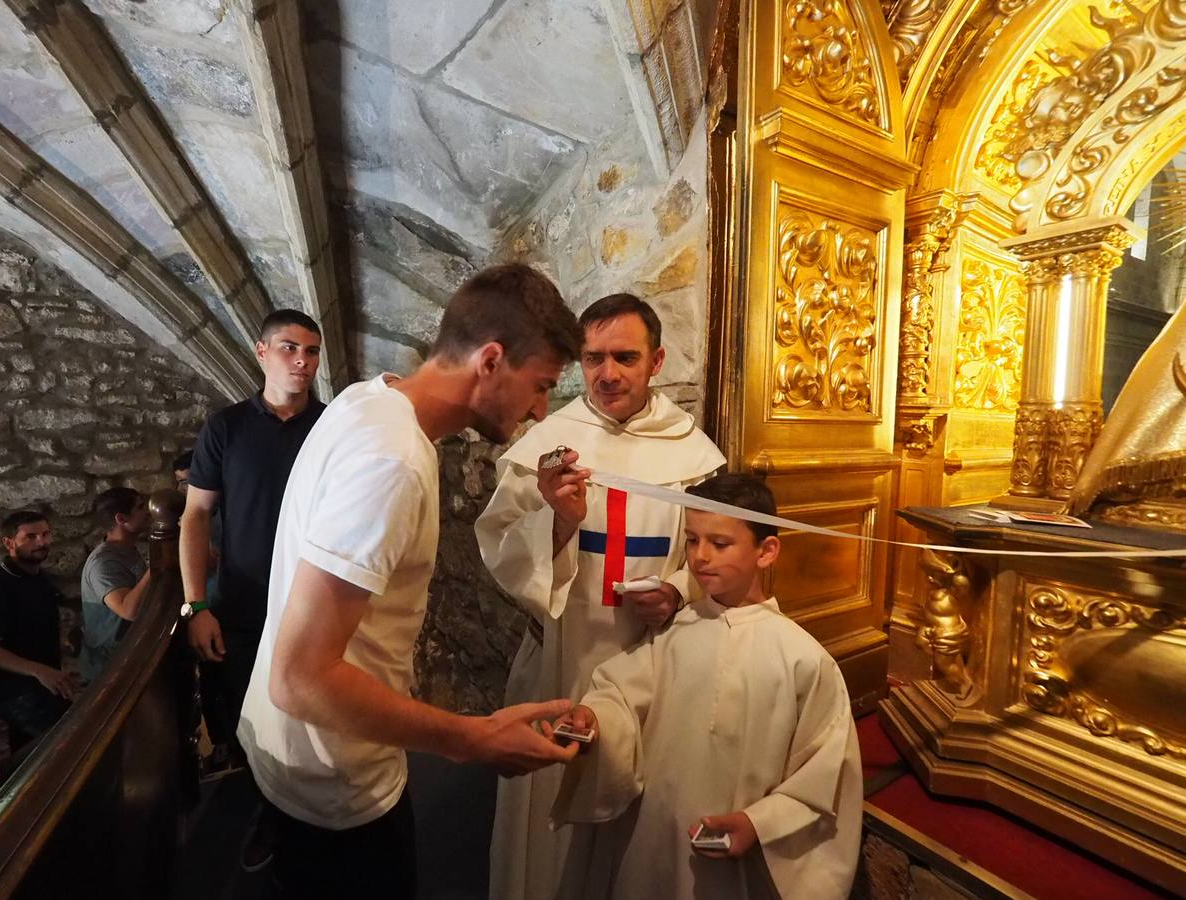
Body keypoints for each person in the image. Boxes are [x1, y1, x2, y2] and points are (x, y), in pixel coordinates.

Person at [237, 264, 586, 900]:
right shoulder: (391, 461)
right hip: (336, 782)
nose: (540, 410)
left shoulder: (370, 397)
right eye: (540, 386)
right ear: (490, 359)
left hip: (293, 757)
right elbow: (302, 675)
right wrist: (474, 740)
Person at [477, 292, 725, 899]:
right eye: (593, 359)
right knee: (547, 826)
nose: (608, 374)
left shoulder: (692, 454)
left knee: (635, 823)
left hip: (651, 659)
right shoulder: (551, 442)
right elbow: (499, 544)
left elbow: (716, 547)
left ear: (656, 360)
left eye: (625, 357)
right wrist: (557, 524)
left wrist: (676, 590)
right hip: (561, 656)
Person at [549, 474, 863, 900]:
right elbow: (620, 695)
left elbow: (824, 770)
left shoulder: (803, 659)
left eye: (719, 543)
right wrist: (594, 718)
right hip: (654, 840)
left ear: (766, 551)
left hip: (735, 857)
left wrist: (758, 823)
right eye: (692, 540)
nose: (699, 557)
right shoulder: (675, 630)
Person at [179, 308, 325, 867]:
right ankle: (270, 815)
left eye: (311, 352)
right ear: (261, 352)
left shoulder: (330, 425)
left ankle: (314, 824)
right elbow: (195, 517)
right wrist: (197, 605)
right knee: (251, 726)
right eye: (289, 348)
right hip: (242, 606)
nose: (302, 362)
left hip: (316, 604)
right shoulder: (226, 428)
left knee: (314, 723)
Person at [0, 510, 76, 750]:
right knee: (67, 745)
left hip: (42, 685)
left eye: (45, 534)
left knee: (30, 752)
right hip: (14, 691)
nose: (42, 542)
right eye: (30, 537)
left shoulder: (38, 578)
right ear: (9, 543)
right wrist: (40, 671)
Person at [77, 488, 152, 682]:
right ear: (121, 518)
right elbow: (128, 610)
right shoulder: (104, 563)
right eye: (141, 507)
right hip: (109, 666)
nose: (148, 512)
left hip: (129, 656)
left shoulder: (126, 549)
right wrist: (158, 564)